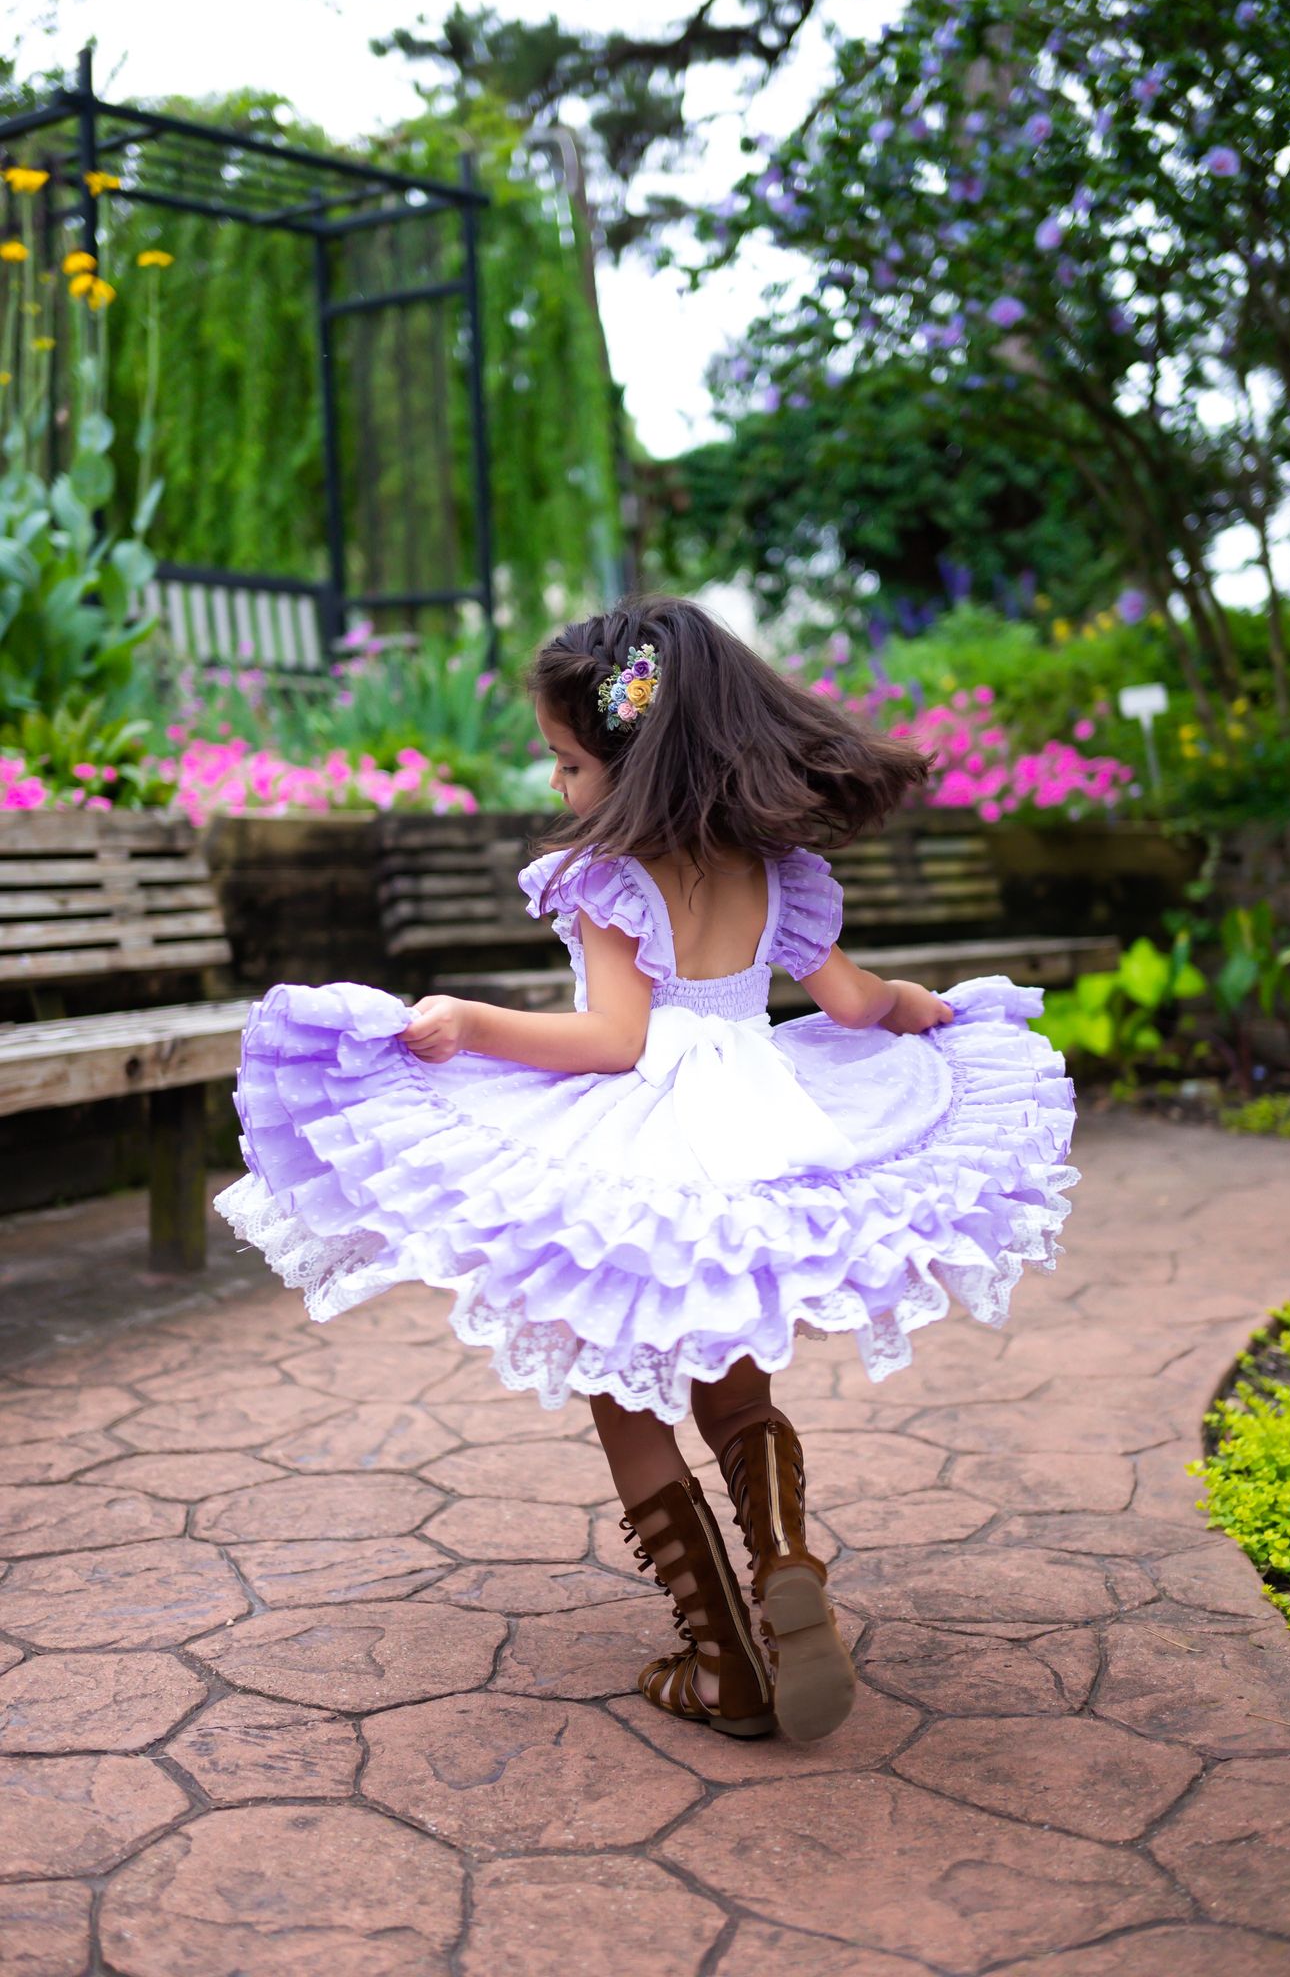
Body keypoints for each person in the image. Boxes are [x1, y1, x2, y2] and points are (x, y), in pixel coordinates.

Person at [215, 595, 1078, 1745]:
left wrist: (470, 1021)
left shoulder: (607, 876)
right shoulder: (777, 871)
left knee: (622, 1387)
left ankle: (722, 1658)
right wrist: (929, 1013)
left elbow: (614, 1041)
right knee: (735, 1380)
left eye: (570, 762)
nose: (562, 786)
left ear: (631, 758)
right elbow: (861, 1003)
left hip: (640, 1137)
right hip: (766, 1126)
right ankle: (785, 1561)